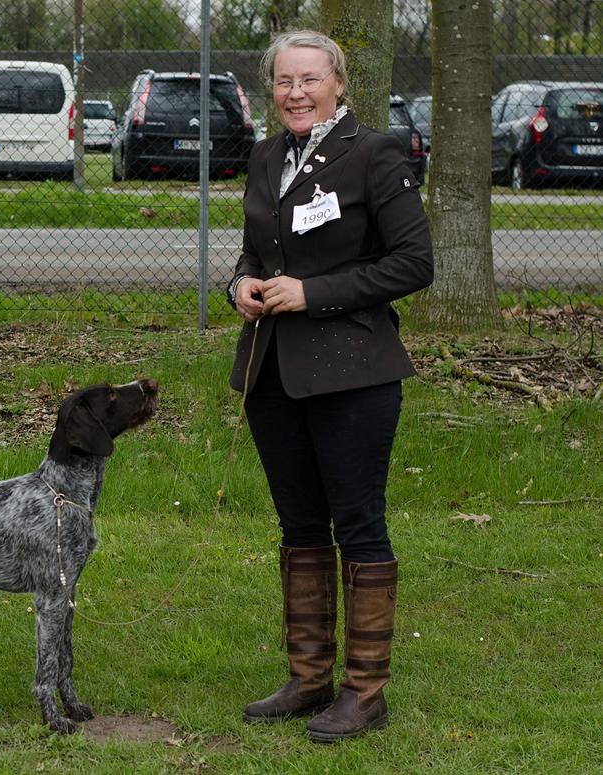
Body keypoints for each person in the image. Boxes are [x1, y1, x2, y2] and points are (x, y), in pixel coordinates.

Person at [226, 30, 433, 742]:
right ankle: (309, 676)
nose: (296, 92)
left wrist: (313, 293)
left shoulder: (375, 154)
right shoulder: (265, 156)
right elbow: (257, 251)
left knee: (359, 525)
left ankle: (365, 691)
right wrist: (242, 286)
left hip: (354, 374)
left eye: (310, 79)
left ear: (339, 84)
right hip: (273, 370)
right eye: (284, 81)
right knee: (299, 526)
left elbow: (414, 262)